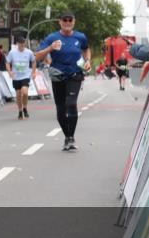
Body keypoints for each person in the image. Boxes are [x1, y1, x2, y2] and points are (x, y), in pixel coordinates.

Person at [34, 10, 91, 151]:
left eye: (70, 20)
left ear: (74, 22)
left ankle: (71, 138)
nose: (67, 22)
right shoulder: (52, 37)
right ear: (60, 22)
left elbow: (86, 49)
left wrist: (88, 61)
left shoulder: (80, 37)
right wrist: (50, 48)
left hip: (75, 74)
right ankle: (67, 136)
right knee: (60, 109)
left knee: (71, 103)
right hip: (58, 75)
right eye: (64, 20)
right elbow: (37, 56)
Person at [6, 36, 37, 119]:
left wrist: (33, 72)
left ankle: (25, 108)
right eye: (20, 44)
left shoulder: (29, 52)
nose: (22, 45)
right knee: (18, 95)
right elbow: (7, 62)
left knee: (25, 92)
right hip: (16, 77)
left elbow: (34, 61)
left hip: (25, 76)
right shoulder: (12, 52)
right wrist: (9, 72)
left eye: (23, 44)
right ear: (17, 44)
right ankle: (20, 111)